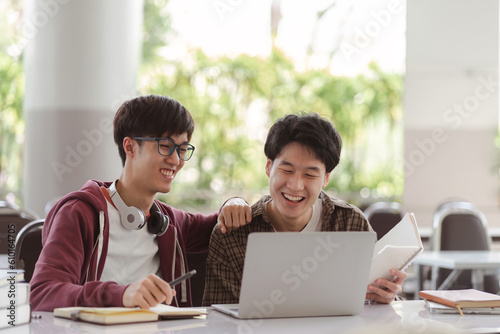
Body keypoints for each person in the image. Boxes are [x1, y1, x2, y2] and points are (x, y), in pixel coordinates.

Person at [30, 95, 250, 311]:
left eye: (182, 149)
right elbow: (43, 293)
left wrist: (235, 202)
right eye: (165, 146)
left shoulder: (168, 222)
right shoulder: (80, 213)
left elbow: (220, 222)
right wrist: (121, 294)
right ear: (130, 147)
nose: (176, 160)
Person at [202, 112, 407, 306]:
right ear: (268, 167)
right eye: (287, 170)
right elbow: (218, 321)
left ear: (326, 178)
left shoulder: (350, 223)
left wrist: (386, 297)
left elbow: (372, 308)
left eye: (310, 175)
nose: (296, 185)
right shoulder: (233, 234)